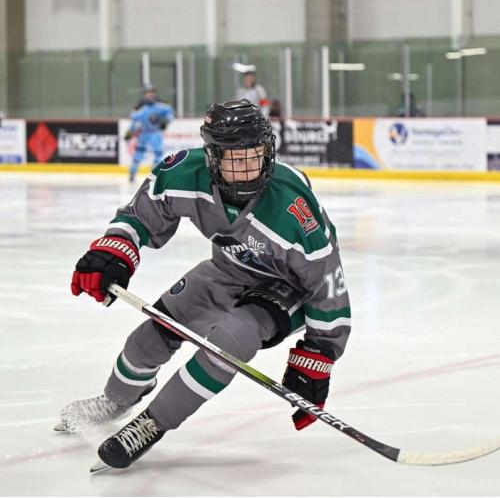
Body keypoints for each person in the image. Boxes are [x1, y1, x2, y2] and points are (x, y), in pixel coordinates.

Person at [59, 99, 351, 470]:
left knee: (231, 339)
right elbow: (141, 214)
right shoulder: (184, 171)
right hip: (228, 270)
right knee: (152, 335)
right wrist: (114, 251)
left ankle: (153, 423)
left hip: (288, 287)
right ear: (213, 157)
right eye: (236, 158)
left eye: (256, 155)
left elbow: (327, 284)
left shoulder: (293, 209)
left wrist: (319, 354)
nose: (249, 168)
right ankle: (116, 400)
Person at [124, 83, 175, 182]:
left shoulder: (161, 106)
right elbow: (134, 120)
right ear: (144, 94)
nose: (150, 94)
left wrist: (167, 120)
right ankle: (132, 174)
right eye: (147, 92)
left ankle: (154, 174)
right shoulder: (140, 108)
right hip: (144, 134)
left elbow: (170, 114)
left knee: (158, 154)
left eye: (152, 92)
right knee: (139, 154)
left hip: (156, 133)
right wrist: (130, 131)